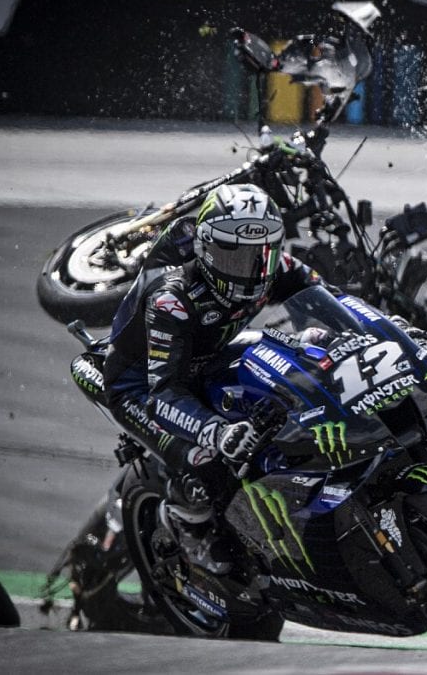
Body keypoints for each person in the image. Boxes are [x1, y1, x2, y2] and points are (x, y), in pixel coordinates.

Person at [102, 182, 330, 574]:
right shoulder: (171, 300)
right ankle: (189, 525)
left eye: (261, 256)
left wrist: (363, 328)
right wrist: (214, 431)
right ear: (206, 250)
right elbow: (164, 393)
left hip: (211, 354)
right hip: (141, 385)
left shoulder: (275, 268)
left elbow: (328, 299)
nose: (251, 271)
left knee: (298, 377)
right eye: (235, 259)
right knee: (212, 463)